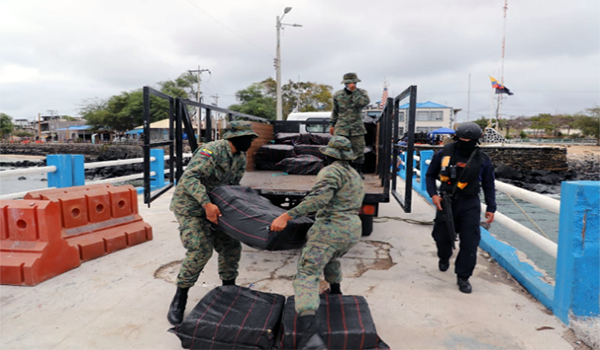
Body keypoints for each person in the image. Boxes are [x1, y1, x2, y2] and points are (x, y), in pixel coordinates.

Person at [270, 136, 365, 350]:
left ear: (328, 155)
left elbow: (317, 200)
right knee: (330, 258)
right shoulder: (355, 174)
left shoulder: (330, 171)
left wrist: (286, 216)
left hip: (331, 228)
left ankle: (310, 335)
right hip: (351, 229)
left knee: (307, 273)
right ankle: (335, 293)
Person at [167, 120, 258, 325]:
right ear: (236, 137)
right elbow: (190, 178)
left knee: (231, 246)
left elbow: (232, 186)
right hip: (191, 206)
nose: (251, 141)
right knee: (200, 250)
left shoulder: (240, 157)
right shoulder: (212, 150)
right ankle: (180, 298)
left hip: (216, 206)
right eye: (249, 138)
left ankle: (228, 290)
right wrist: (206, 204)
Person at [425, 122, 496, 294]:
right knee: (441, 236)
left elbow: (488, 184)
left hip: (470, 203)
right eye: (463, 139)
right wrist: (433, 195)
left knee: (470, 242)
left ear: (477, 140)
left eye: (469, 140)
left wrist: (491, 207)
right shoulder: (443, 154)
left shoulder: (483, 159)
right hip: (446, 200)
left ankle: (463, 277)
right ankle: (444, 255)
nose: (466, 142)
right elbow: (430, 175)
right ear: (456, 137)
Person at [329, 72, 370, 178]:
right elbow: (335, 111)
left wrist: (354, 92)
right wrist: (332, 124)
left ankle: (358, 171)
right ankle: (341, 171)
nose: (351, 84)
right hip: (341, 127)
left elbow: (361, 103)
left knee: (358, 150)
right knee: (339, 149)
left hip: (356, 127)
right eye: (349, 83)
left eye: (353, 82)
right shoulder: (338, 95)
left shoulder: (361, 93)